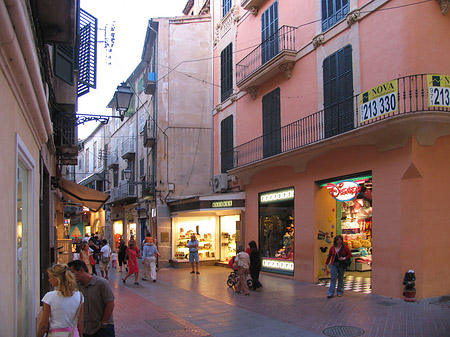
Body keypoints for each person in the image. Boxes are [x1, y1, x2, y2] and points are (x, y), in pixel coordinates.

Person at [68, 260, 115, 337]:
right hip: (86, 328)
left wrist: (104, 322)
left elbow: (110, 303)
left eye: (73, 273)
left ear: (81, 270)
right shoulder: (76, 286)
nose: (71, 276)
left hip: (102, 328)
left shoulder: (101, 283)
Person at [37, 264, 84, 337]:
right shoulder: (79, 296)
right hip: (72, 334)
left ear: (57, 278)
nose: (49, 280)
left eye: (50, 277)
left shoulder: (49, 296)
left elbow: (44, 325)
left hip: (55, 334)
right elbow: (80, 322)